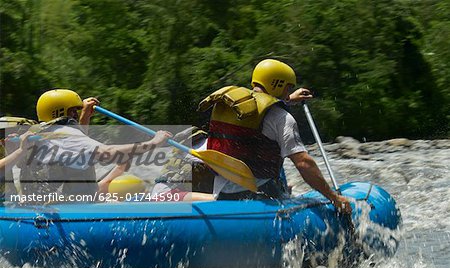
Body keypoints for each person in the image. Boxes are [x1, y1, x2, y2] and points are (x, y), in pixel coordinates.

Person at [198, 59, 351, 214]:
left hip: (223, 192)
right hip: (257, 195)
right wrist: (334, 198)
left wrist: (289, 99)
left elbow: (261, 109)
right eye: (288, 87)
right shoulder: (282, 119)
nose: (288, 92)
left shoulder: (230, 107)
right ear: (277, 85)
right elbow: (304, 163)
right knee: (282, 169)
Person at [19, 89, 172, 200]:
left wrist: (85, 116)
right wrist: (154, 142)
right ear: (63, 112)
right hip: (75, 211)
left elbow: (79, 149)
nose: (76, 115)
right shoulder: (65, 135)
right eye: (74, 111)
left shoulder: (42, 134)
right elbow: (109, 152)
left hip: (52, 207)